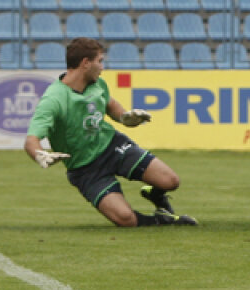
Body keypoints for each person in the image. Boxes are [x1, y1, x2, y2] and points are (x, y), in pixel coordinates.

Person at [25, 38, 197, 227]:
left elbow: (110, 105)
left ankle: (155, 195)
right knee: (125, 219)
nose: (102, 67)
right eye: (100, 61)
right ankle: (163, 220)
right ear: (85, 63)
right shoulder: (54, 99)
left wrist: (125, 117)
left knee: (170, 181)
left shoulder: (98, 84)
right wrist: (39, 154)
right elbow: (31, 139)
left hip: (113, 146)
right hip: (85, 169)